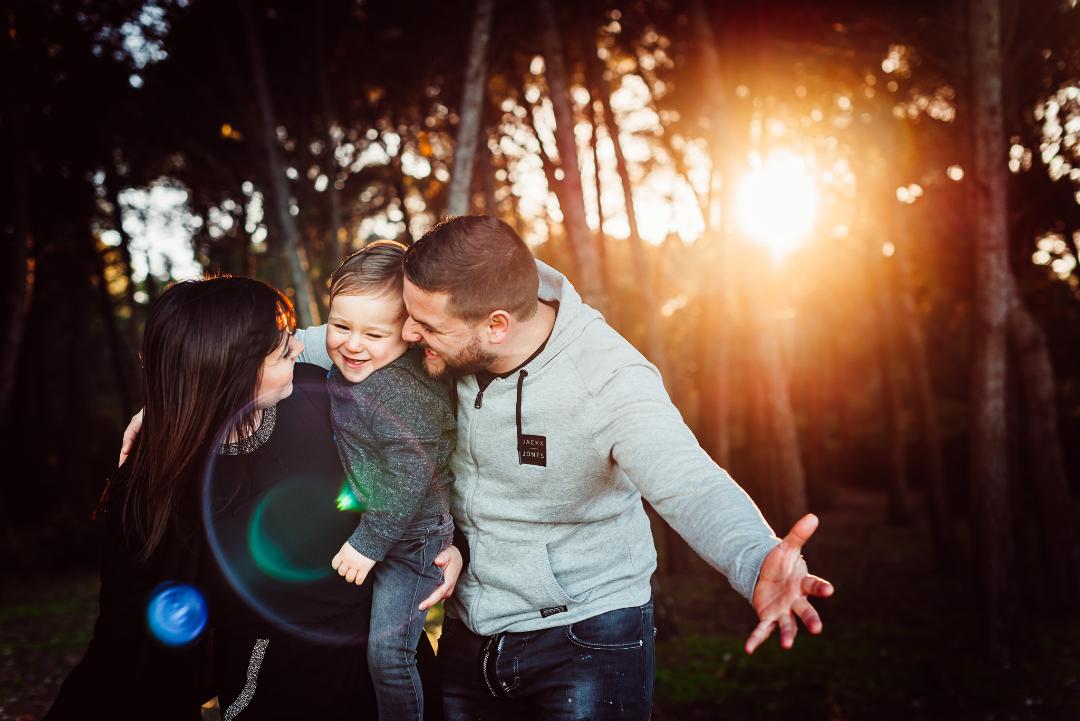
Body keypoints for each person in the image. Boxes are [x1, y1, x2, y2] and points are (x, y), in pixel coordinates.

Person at [393, 215, 834, 721]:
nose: (408, 332)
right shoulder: (460, 327)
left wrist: (755, 558)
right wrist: (285, 346)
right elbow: (360, 340)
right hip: (471, 630)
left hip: (587, 639)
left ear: (497, 325)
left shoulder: (609, 379)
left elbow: (688, 481)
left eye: (427, 325)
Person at [48, 276, 461, 721]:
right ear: (235, 370)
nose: (300, 351)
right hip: (273, 685)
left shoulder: (321, 395)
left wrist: (454, 548)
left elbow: (423, 464)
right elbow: (124, 636)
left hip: (387, 667)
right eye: (283, 351)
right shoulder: (155, 480)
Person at [308, 240, 456, 721]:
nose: (352, 344)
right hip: (380, 524)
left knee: (388, 657)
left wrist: (369, 542)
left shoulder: (399, 390)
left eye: (373, 334)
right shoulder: (353, 367)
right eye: (340, 326)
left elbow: (412, 471)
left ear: (408, 335)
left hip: (414, 541)